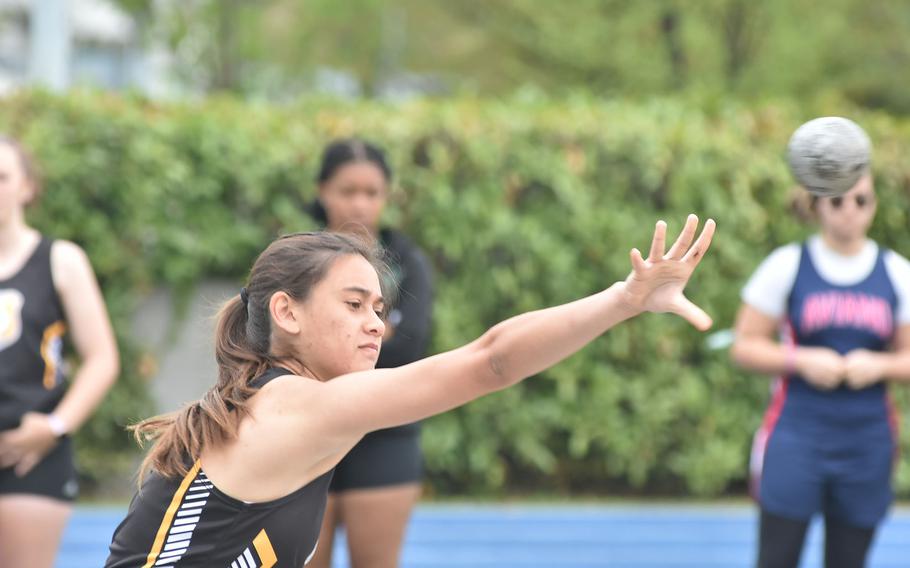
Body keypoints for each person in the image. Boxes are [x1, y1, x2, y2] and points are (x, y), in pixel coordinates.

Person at [105, 215, 715, 567]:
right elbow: (491, 362)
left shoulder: (281, 402)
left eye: (380, 307)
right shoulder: (295, 407)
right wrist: (625, 298)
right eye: (353, 304)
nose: (377, 323)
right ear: (286, 312)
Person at [731, 172, 910, 568]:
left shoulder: (897, 272)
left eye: (861, 201)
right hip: (797, 435)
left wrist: (879, 365)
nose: (850, 211)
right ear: (816, 206)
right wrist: (801, 360)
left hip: (866, 441)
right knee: (776, 557)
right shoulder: (787, 265)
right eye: (838, 201)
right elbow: (744, 345)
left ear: (874, 205)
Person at [306, 138, 433, 568]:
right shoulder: (295, 260)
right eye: (347, 191)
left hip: (385, 435)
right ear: (323, 192)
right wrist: (381, 337)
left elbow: (409, 348)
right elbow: (271, 342)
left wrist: (327, 345)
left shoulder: (409, 264)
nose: (360, 204)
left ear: (386, 196)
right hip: (308, 433)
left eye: (371, 192)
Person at [0, 136, 120, 568]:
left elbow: (102, 358)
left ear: (27, 187)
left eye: (2, 177)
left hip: (29, 457)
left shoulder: (60, 260)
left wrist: (55, 425)